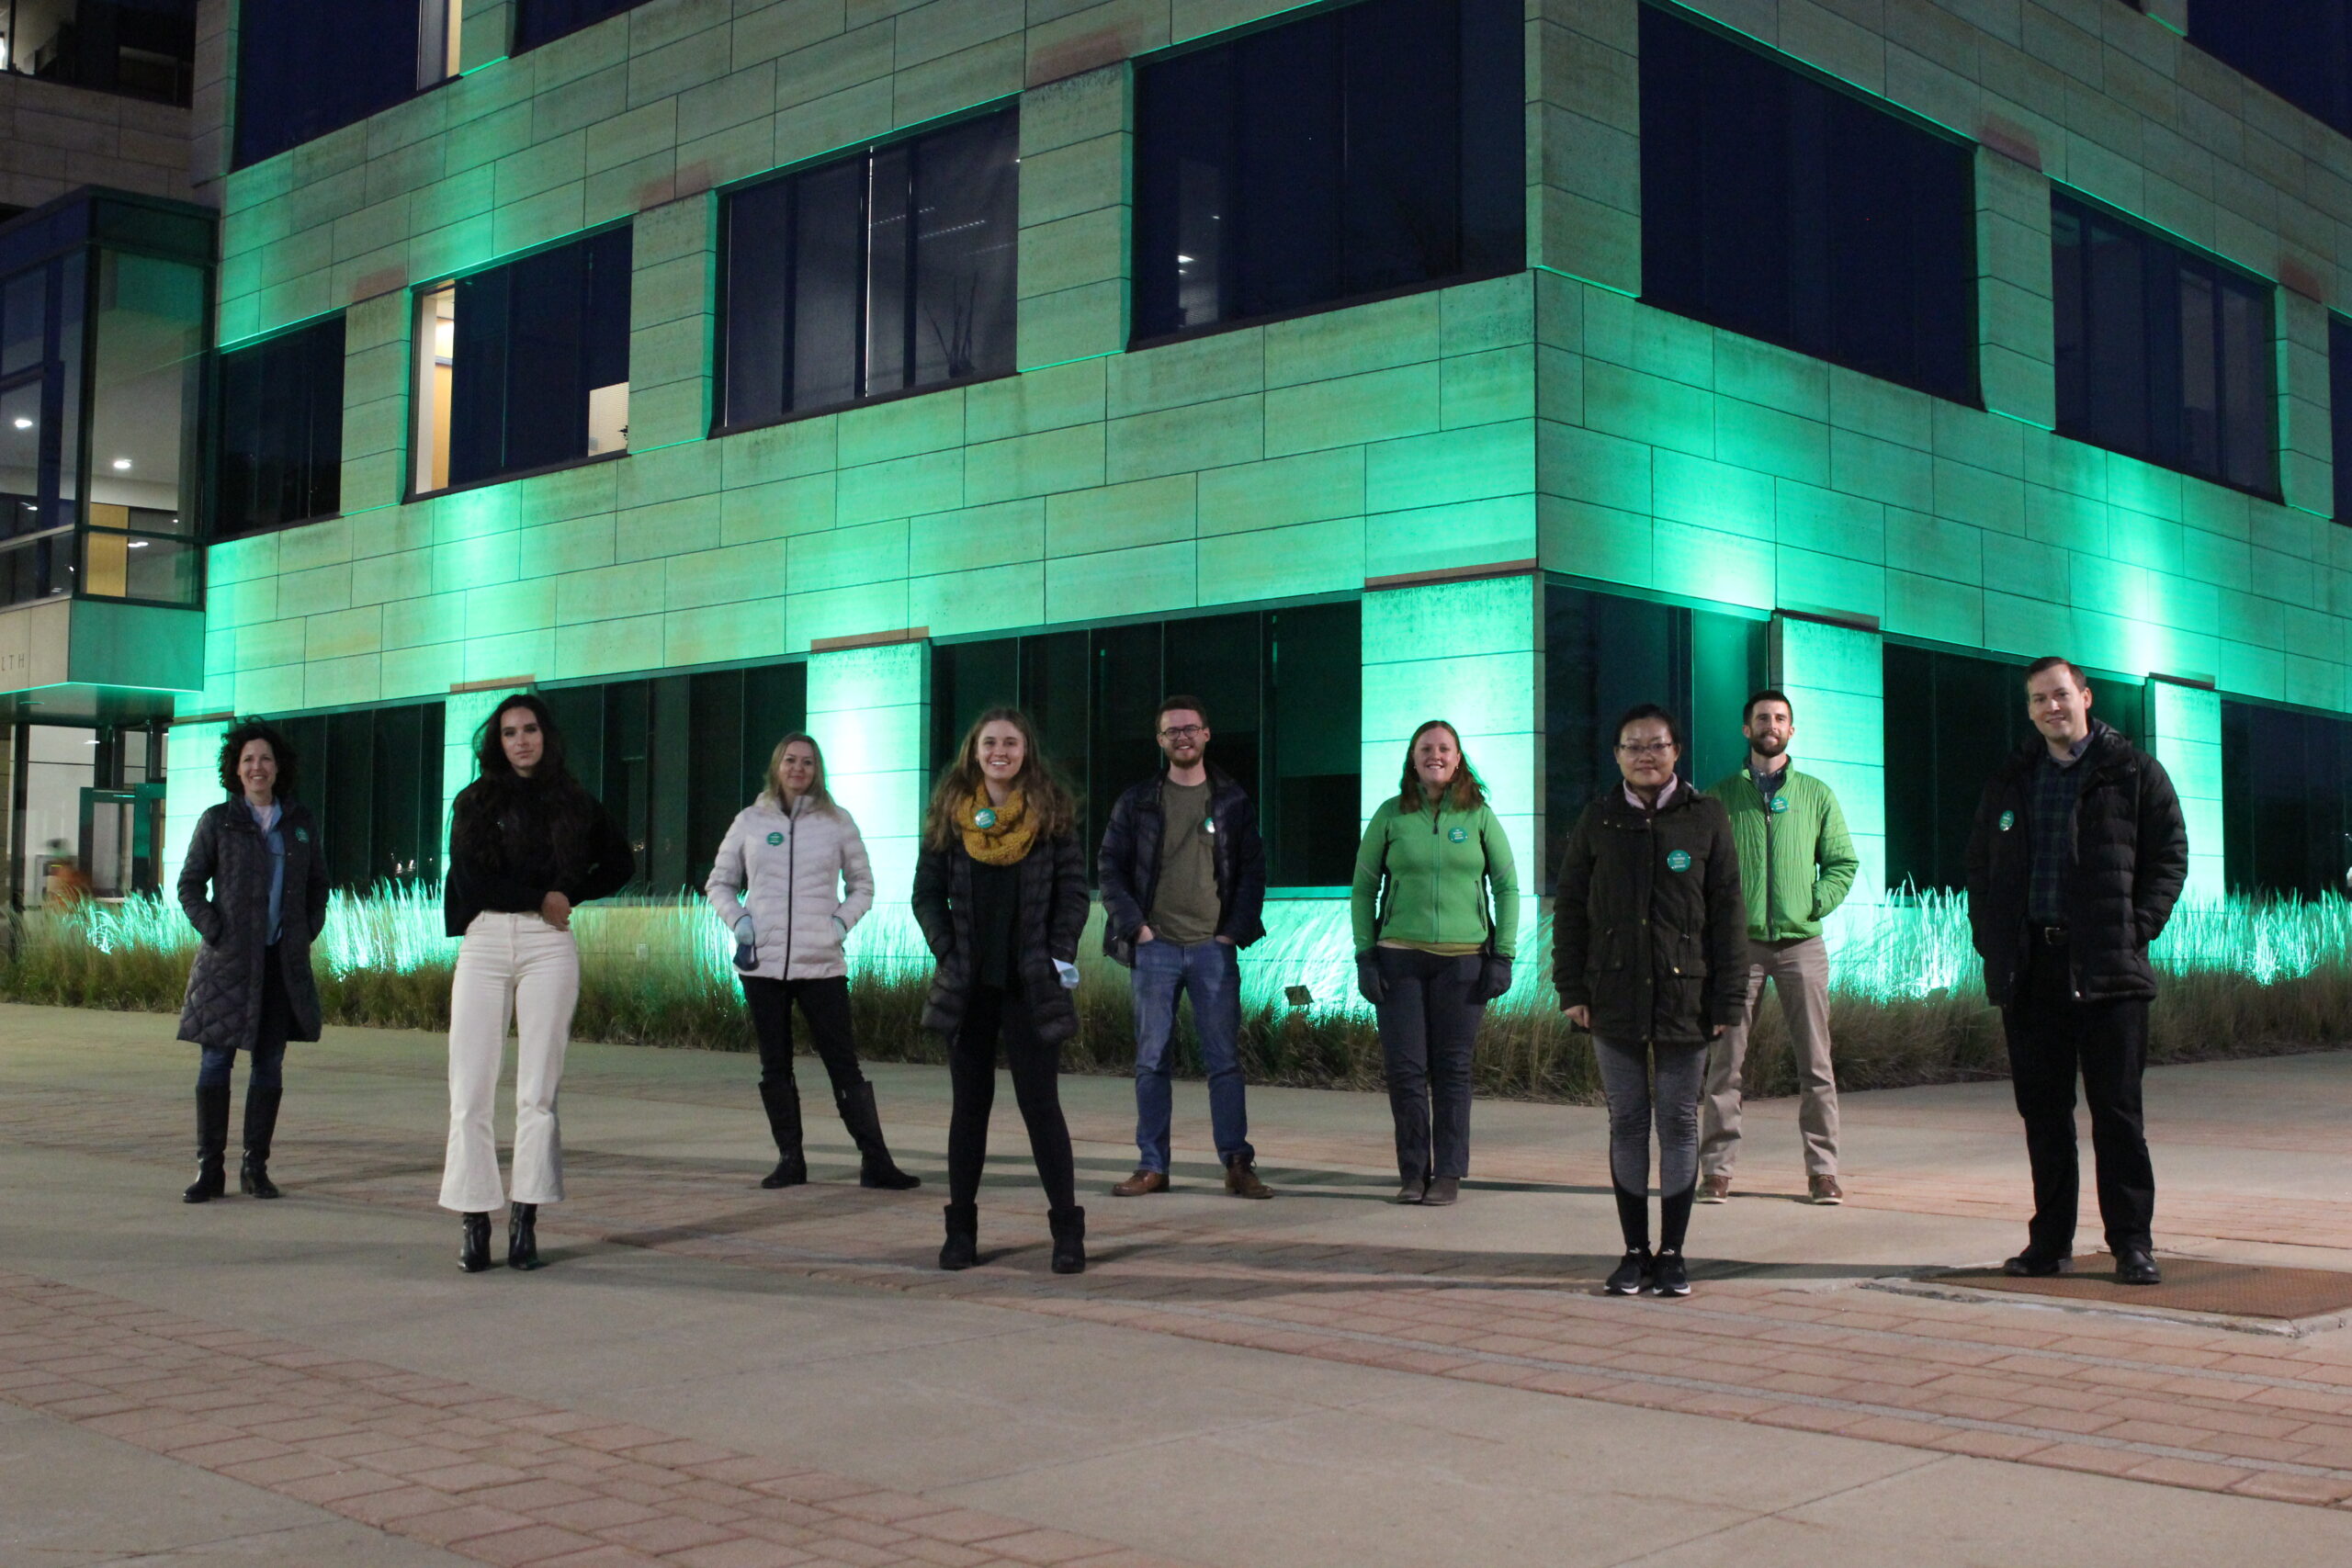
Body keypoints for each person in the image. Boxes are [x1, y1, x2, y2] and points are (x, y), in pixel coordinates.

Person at [1965, 657, 2187, 1287]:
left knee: (2117, 1113)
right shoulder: (2013, 778)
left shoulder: (2131, 772)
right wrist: (1993, 940)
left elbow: (2171, 853)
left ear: (2085, 697)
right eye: (2038, 700)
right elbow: (1979, 866)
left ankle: (2132, 1245)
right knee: (2044, 1114)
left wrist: (2137, 924)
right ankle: (2049, 1241)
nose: (2051, 708)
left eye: (2061, 695)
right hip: (2032, 970)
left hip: (2108, 968)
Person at [1554, 705, 1746, 1298]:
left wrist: (1727, 999)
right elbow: (1571, 909)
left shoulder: (1705, 816)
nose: (1645, 754)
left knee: (1679, 1121)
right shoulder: (1599, 819)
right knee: (1629, 1120)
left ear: (1676, 751)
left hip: (1687, 996)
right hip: (1611, 994)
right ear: (1616, 755)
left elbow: (1728, 913)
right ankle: (1634, 1251)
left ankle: (1673, 1254)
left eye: (1656, 744)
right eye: (1632, 745)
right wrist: (1571, 988)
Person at [441, 694, 634, 1274]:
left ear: (546, 736)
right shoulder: (476, 800)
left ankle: (525, 1217)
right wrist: (539, 897)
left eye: (529, 730)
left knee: (538, 1093)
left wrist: (569, 896)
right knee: (470, 1089)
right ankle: (475, 1220)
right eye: (508, 733)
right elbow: (470, 876)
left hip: (549, 945)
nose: (520, 740)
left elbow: (621, 863)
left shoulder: (574, 801)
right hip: (486, 939)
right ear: (495, 743)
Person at [912, 707, 1091, 1273]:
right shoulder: (950, 816)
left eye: (1011, 743)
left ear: (1025, 752)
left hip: (1031, 986)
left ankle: (1067, 1233)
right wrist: (948, 952)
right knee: (970, 1110)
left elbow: (1073, 895)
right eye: (990, 742)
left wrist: (1058, 952)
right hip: (970, 988)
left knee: (1042, 1108)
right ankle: (960, 1232)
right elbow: (925, 894)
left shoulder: (1051, 815)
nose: (1000, 751)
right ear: (974, 751)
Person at [707, 731, 919, 1191]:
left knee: (843, 1064)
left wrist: (838, 926)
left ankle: (875, 1160)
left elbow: (863, 885)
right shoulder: (748, 821)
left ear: (818, 769)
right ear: (776, 766)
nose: (799, 768)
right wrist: (741, 922)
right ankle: (790, 1159)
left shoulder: (837, 821)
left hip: (822, 965)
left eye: (807, 762)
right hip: (762, 967)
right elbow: (719, 883)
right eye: (790, 760)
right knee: (774, 1065)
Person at [1097, 694, 1272, 1200]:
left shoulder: (1232, 800)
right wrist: (1138, 929)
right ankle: (1153, 1166)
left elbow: (1252, 870)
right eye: (1172, 731)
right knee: (1151, 1061)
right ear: (1160, 740)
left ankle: (1237, 1163)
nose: (1182, 737)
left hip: (1213, 951)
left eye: (1190, 729)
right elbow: (1109, 866)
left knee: (1225, 1062)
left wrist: (1230, 933)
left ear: (1207, 734)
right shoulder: (1137, 801)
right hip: (1155, 950)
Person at [1699, 690, 1860, 1205]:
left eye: (1781, 718)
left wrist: (1815, 902)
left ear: (1792, 730)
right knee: (1725, 1063)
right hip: (1738, 949)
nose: (1772, 724)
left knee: (1816, 1064)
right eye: (1763, 718)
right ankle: (1717, 1170)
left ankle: (1823, 1171)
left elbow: (1843, 862)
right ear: (1746, 730)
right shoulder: (1720, 796)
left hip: (1800, 945)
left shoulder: (1815, 794)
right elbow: (1701, 870)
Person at [1350, 719, 1519, 1207]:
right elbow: (1363, 888)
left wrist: (1502, 955)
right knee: (1405, 1070)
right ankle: (1412, 1173)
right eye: (1426, 748)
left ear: (1459, 758)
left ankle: (1448, 1173)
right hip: (1399, 960)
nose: (1436, 755)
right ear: (1413, 758)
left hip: (1463, 963)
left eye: (1445, 748)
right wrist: (1366, 954)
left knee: (1453, 1070)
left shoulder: (1480, 816)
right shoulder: (1389, 816)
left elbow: (1507, 888)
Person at [175, 720, 330, 1203]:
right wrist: (215, 929)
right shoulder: (218, 820)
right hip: (228, 966)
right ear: (236, 770)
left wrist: (302, 934)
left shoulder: (298, 823)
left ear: (277, 767)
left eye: (264, 759)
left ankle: (255, 1167)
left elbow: (317, 889)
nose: (256, 767)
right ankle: (210, 1170)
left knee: (268, 1065)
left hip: (280, 965)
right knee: (215, 1063)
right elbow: (189, 885)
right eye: (248, 760)